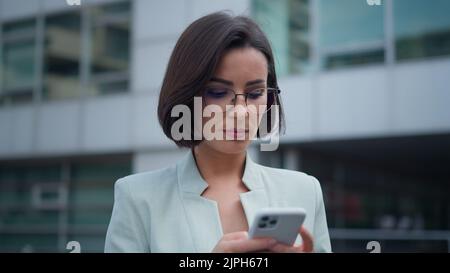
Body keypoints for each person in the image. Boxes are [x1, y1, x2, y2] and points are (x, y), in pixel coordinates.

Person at [105, 11, 331, 253]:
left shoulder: (305, 191)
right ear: (186, 96)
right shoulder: (137, 198)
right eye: (217, 92)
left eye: (255, 94)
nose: (241, 112)